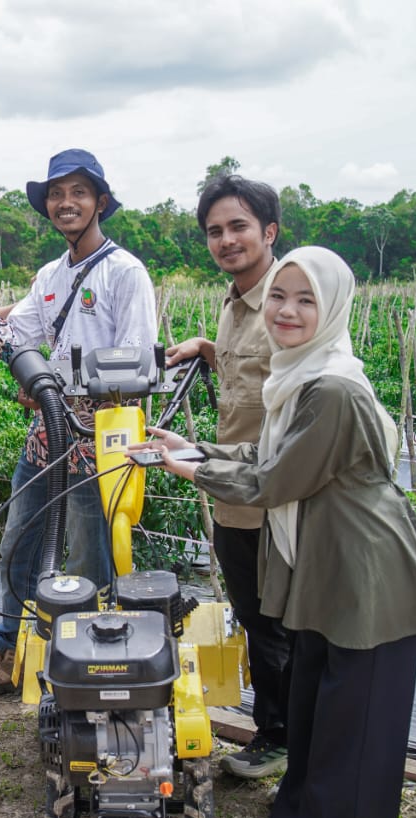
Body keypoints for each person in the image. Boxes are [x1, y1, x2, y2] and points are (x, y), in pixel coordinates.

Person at [133, 246, 416, 818]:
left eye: (307, 299)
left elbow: (275, 482)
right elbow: (267, 456)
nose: (287, 310)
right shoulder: (299, 375)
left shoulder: (331, 388)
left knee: (352, 738)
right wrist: (195, 449)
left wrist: (192, 472)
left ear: (332, 307)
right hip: (325, 570)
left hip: (369, 581)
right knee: (312, 722)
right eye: (279, 295)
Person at [0, 149, 157, 695]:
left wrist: (62, 390)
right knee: (20, 539)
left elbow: (138, 363)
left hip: (105, 434)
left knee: (91, 550)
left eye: (77, 193)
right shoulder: (49, 275)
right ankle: (9, 648)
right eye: (56, 195)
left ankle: (91, 661)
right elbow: (15, 334)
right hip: (49, 430)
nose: (65, 203)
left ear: (100, 203)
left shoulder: (125, 272)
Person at [164, 174, 293, 778]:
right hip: (233, 491)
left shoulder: (286, 300)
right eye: (215, 231)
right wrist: (206, 348)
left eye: (238, 226)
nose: (226, 240)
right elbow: (250, 371)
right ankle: (279, 732)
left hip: (275, 495)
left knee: (278, 624)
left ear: (269, 231)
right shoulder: (236, 299)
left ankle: (283, 739)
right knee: (255, 614)